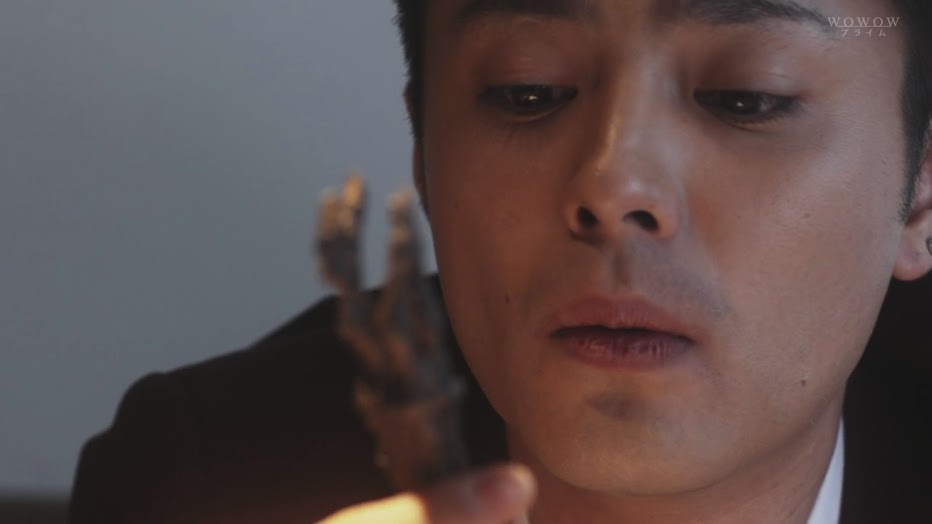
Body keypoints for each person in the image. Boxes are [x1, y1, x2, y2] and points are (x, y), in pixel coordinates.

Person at [70, 0, 932, 522]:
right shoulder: (205, 484)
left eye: (746, 98)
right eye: (529, 91)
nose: (614, 184)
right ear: (424, 154)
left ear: (921, 193)